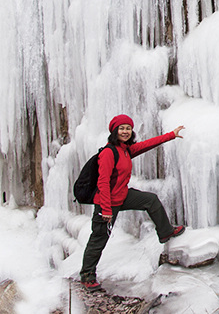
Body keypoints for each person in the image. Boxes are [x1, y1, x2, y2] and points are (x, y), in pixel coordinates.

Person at [80, 114, 186, 290]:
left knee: (150, 200)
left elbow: (145, 145)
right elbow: (103, 182)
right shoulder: (108, 153)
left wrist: (171, 135)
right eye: (121, 128)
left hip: (122, 196)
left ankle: (165, 232)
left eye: (128, 128)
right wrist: (105, 209)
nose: (125, 131)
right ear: (114, 131)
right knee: (99, 239)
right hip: (106, 203)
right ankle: (87, 275)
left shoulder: (125, 150)